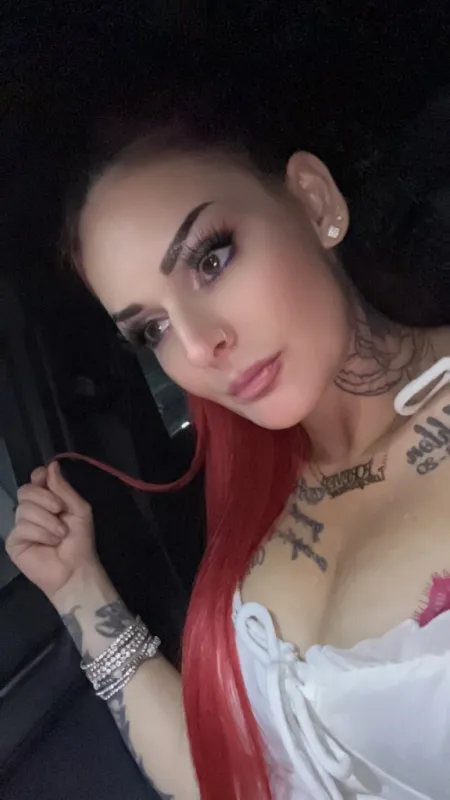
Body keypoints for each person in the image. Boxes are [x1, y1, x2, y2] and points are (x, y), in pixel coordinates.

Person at [6, 103, 450, 800]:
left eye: (211, 260)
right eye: (152, 330)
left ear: (315, 202)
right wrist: (77, 589)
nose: (197, 346)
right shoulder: (261, 498)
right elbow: (229, 778)